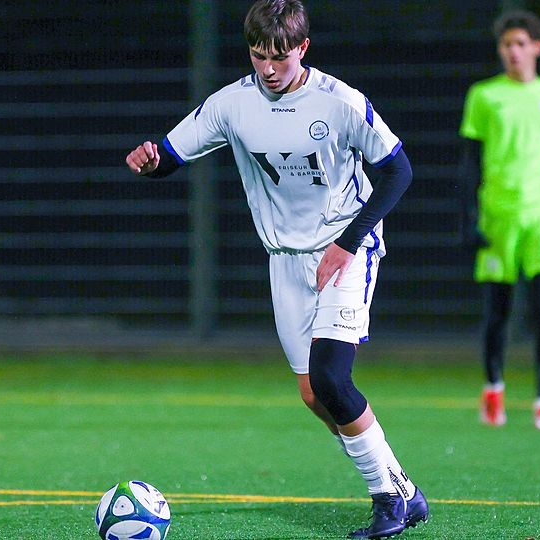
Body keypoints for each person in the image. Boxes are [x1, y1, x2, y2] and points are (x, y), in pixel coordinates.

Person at [125, 1, 429, 537]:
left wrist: (348, 242)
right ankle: (402, 487)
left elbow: (398, 170)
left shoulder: (340, 102)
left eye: (280, 57)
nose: (268, 68)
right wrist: (150, 162)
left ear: (302, 48)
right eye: (258, 55)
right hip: (284, 260)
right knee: (314, 394)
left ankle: (388, 500)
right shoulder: (232, 104)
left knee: (331, 377)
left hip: (345, 249)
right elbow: (170, 155)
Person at [457, 9, 540, 431]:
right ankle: (493, 390)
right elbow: (470, 162)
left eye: (520, 44)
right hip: (498, 214)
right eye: (506, 44)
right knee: (498, 309)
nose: (512, 51)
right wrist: (467, 216)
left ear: (537, 48)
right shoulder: (484, 96)